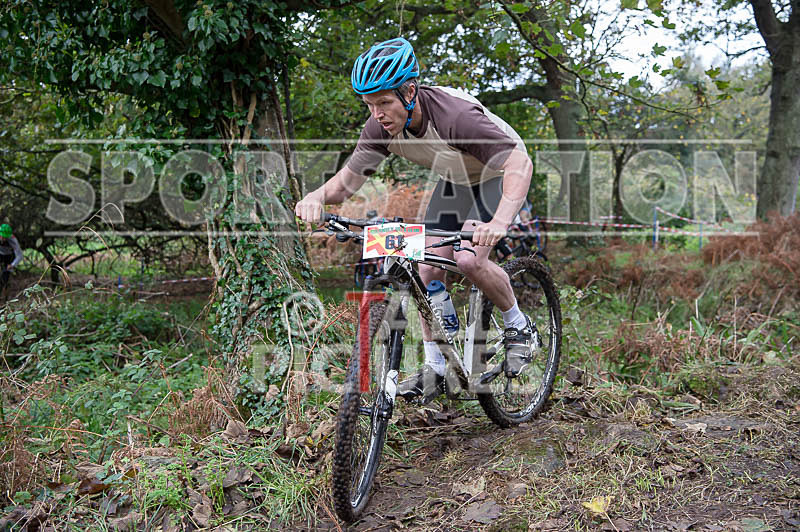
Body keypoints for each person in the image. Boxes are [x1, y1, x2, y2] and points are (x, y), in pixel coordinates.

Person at [295, 37, 539, 398]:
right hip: (457, 179)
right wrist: (315, 196)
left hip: (499, 173)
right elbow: (346, 183)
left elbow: (520, 163)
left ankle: (519, 326)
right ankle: (436, 369)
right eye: (369, 104)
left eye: (384, 102)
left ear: (410, 92)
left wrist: (499, 223)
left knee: (469, 259)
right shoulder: (379, 128)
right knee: (425, 265)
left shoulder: (455, 117)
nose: (376, 114)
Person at [0, 224, 23, 294]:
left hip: (9, 256)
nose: (4, 239)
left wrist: (12, 265)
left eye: (6, 237)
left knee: (5, 277)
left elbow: (20, 255)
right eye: (2, 237)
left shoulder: (13, 240)